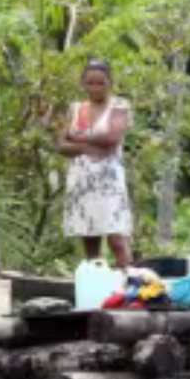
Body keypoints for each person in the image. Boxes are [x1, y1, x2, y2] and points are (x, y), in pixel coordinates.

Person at [57, 58, 133, 268]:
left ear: (110, 82)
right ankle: (99, 291)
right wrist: (85, 147)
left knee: (117, 238)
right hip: (82, 181)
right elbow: (62, 145)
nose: (96, 88)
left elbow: (111, 138)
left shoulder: (119, 106)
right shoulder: (75, 109)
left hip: (109, 181)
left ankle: (128, 286)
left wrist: (77, 137)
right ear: (83, 83)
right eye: (90, 83)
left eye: (101, 82)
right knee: (90, 239)